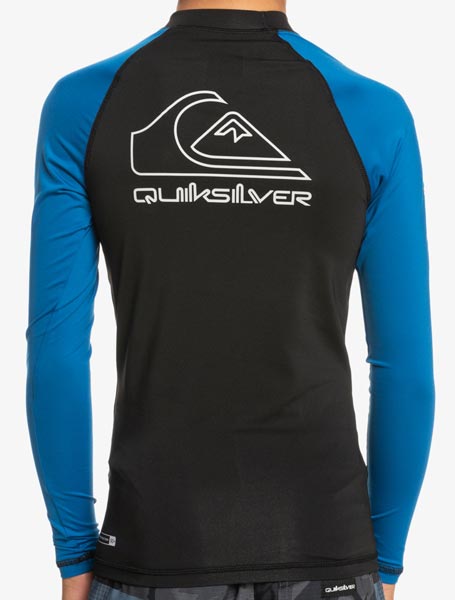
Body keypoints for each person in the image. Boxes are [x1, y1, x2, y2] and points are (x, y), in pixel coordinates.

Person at [25, 1, 435, 599]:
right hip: (325, 547)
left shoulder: (84, 104)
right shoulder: (372, 113)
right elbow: (406, 371)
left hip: (152, 547)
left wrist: (73, 554)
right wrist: (387, 563)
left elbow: (55, 353)